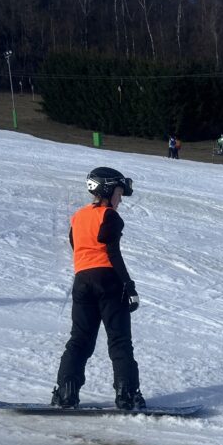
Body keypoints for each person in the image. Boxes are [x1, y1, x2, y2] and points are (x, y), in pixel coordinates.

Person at [51, 166, 145, 410]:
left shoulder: (78, 217)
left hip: (82, 282)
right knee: (119, 340)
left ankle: (66, 392)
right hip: (109, 281)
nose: (120, 199)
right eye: (119, 193)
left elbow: (76, 245)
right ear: (107, 190)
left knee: (80, 339)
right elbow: (112, 252)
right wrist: (129, 287)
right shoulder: (109, 216)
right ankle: (127, 394)